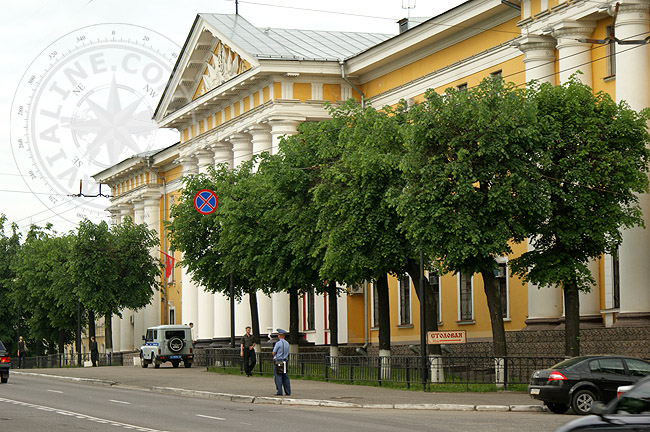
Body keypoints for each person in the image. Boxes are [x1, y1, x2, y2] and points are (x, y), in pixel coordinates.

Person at [272, 329, 291, 396]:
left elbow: (274, 352)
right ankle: (288, 391)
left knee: (278, 376)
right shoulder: (287, 343)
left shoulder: (278, 343)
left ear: (279, 336)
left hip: (278, 361)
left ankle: (279, 391)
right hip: (285, 361)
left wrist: (274, 355)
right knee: (285, 376)